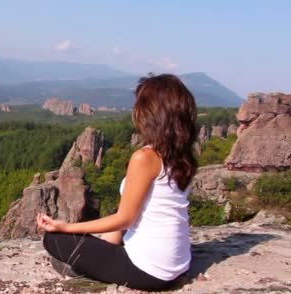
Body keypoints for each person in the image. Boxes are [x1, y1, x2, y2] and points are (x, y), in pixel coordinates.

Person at [37, 74, 197, 291]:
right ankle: (103, 254)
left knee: (53, 239)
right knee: (124, 206)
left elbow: (125, 219)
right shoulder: (183, 155)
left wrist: (65, 227)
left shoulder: (145, 158)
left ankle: (86, 268)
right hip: (178, 263)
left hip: (150, 271)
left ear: (151, 114)